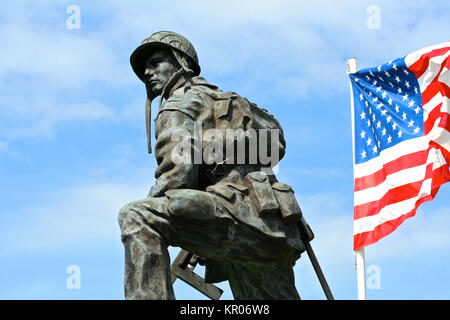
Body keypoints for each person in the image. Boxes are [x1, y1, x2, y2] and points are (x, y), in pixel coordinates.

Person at [118, 31, 313, 300]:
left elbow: (176, 179)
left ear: (180, 62)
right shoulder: (235, 101)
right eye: (144, 68)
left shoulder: (178, 105)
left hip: (233, 219)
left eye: (155, 63)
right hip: (275, 227)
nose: (148, 72)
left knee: (138, 216)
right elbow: (277, 145)